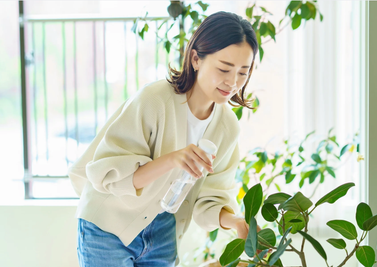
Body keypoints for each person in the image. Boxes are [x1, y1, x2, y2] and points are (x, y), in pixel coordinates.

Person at [69, 11, 259, 267]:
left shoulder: (227, 127)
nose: (233, 82)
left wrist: (235, 221)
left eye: (243, 73)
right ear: (196, 59)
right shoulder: (154, 100)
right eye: (224, 68)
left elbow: (211, 199)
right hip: (108, 226)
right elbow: (110, 176)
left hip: (163, 233)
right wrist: (172, 160)